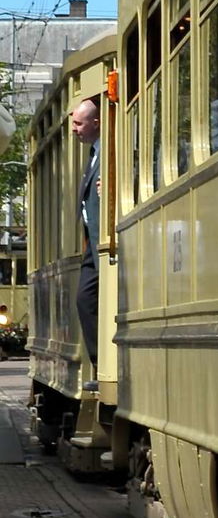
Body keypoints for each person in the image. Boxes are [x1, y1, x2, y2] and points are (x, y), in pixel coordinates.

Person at [69, 95, 100, 387]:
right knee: (84, 300)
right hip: (92, 245)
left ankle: (104, 366)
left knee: (88, 299)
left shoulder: (106, 154)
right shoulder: (93, 154)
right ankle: (100, 364)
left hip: (102, 243)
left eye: (79, 123)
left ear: (96, 122)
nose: (74, 129)